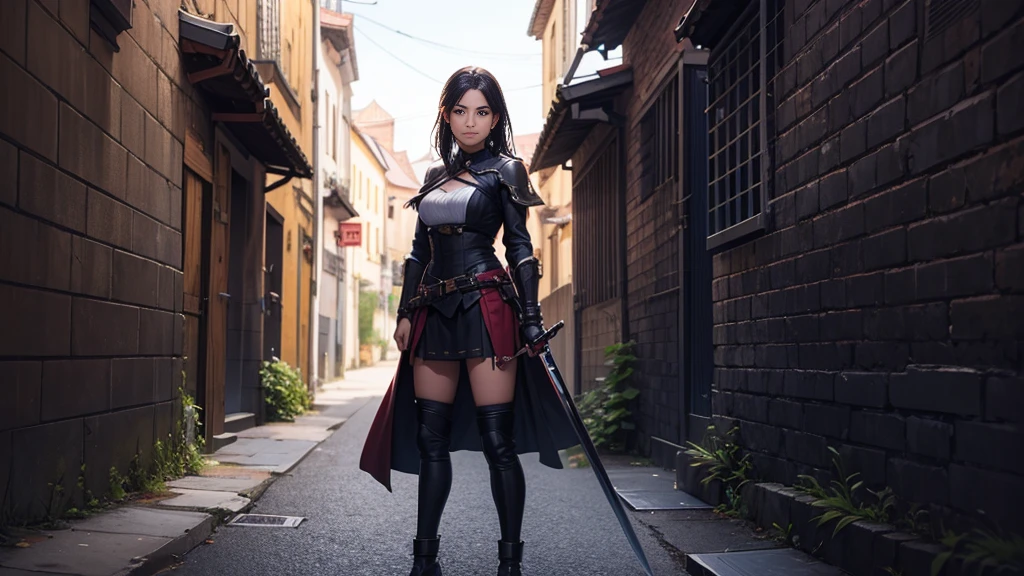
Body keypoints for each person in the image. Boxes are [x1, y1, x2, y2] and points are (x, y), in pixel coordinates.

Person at [359, 67, 578, 576]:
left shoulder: (508, 170)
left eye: (481, 112)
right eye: (460, 111)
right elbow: (417, 254)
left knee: (498, 442)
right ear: (446, 115)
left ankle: (509, 565)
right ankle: (424, 562)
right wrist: (404, 312)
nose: (470, 121)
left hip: (487, 308)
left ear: (495, 116)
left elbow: (519, 246)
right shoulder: (434, 178)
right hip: (435, 311)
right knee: (430, 439)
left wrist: (530, 317)